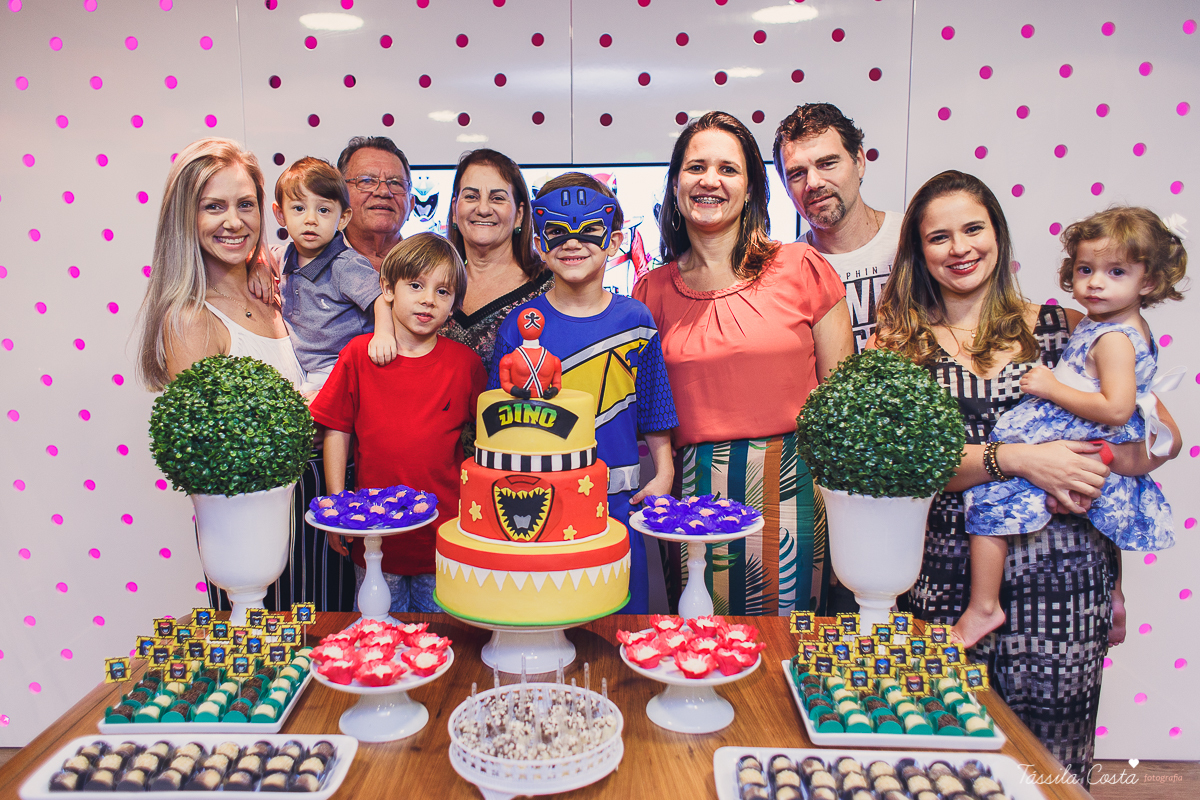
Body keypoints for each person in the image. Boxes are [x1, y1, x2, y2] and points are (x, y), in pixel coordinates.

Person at [873, 170, 1182, 784]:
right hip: (946, 577)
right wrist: (1014, 459)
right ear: (919, 251)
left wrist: (1089, 464)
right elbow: (899, 472)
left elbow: (1151, 440)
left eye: (973, 229)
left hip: (1065, 579)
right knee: (938, 758)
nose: (959, 248)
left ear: (998, 235)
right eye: (939, 237)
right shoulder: (896, 348)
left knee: (1050, 767)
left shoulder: (1067, 327)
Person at [633, 112, 854, 616]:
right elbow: (647, 408)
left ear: (752, 187)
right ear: (675, 185)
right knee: (698, 642)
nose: (710, 180)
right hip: (688, 495)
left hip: (796, 488)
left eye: (728, 169)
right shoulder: (650, 293)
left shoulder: (803, 268)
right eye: (696, 167)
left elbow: (843, 404)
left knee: (785, 648)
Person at [956, 207, 1186, 647]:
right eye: (1086, 269)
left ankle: (984, 606)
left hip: (1079, 434)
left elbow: (1117, 410)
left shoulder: (1114, 338)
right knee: (1102, 513)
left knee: (986, 498)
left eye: (1116, 271)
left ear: (1149, 282)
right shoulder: (1109, 325)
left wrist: (1050, 387)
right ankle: (1113, 593)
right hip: (1086, 442)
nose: (1096, 282)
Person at [135, 137, 317, 611]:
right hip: (252, 526)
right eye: (213, 207)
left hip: (312, 512)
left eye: (245, 204)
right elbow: (217, 454)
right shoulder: (191, 318)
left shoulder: (274, 285)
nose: (234, 222)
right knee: (269, 670)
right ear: (185, 219)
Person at [490, 174, 678, 614]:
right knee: (547, 616)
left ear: (613, 241)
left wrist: (664, 472)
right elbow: (496, 420)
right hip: (538, 501)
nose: (572, 243)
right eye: (556, 232)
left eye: (588, 230)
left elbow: (655, 406)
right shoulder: (517, 326)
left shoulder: (636, 319)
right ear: (539, 241)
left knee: (619, 623)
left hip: (618, 503)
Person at [309, 233, 486, 612]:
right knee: (377, 636)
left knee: (441, 640)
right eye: (416, 285)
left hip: (443, 536)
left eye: (443, 292)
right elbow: (336, 431)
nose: (428, 299)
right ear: (388, 288)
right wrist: (338, 503)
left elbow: (486, 441)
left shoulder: (465, 364)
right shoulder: (358, 356)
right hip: (374, 536)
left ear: (454, 303)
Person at [773, 103, 901, 353]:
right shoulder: (784, 272)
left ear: (860, 161)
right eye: (797, 173)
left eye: (827, 163)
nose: (813, 182)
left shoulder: (912, 239)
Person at [272, 156, 397, 391]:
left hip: (341, 365)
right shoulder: (285, 256)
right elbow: (262, 253)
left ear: (342, 219)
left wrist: (383, 335)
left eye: (323, 210)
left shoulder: (345, 264)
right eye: (299, 208)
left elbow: (380, 297)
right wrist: (257, 267)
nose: (310, 219)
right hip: (306, 366)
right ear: (280, 215)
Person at [440, 149, 551, 371]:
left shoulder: (550, 288)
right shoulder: (428, 287)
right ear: (454, 209)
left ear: (519, 214)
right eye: (471, 196)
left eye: (497, 198)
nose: (482, 209)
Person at [336, 136, 415, 271]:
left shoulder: (432, 269)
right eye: (367, 181)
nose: (384, 192)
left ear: (411, 204)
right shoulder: (309, 265)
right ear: (339, 196)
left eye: (395, 183)